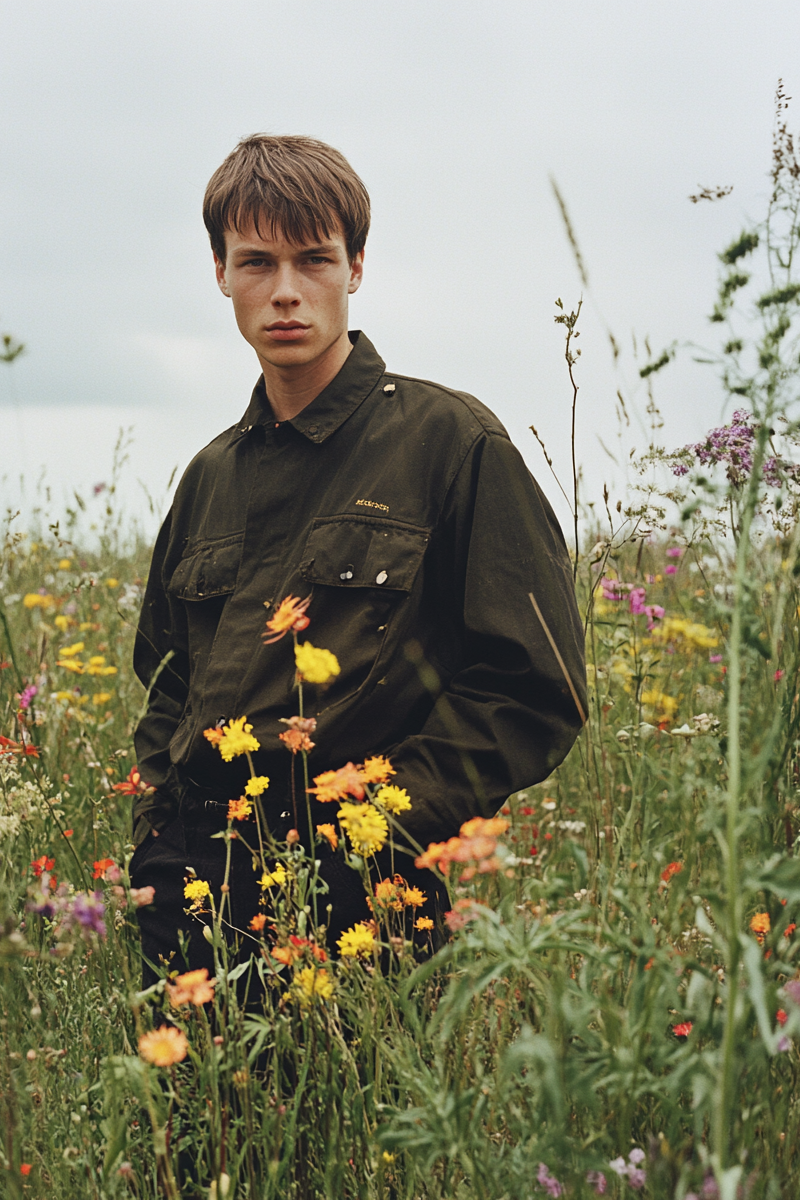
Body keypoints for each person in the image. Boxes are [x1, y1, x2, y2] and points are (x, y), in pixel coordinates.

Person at [129, 134, 586, 986]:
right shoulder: (208, 477)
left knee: (352, 1120)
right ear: (220, 274)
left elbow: (534, 684)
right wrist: (156, 843)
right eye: (257, 262)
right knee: (195, 1123)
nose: (287, 292)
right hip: (193, 899)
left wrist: (379, 826)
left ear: (358, 266)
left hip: (364, 905)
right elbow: (164, 685)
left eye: (315, 259)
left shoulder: (450, 443)